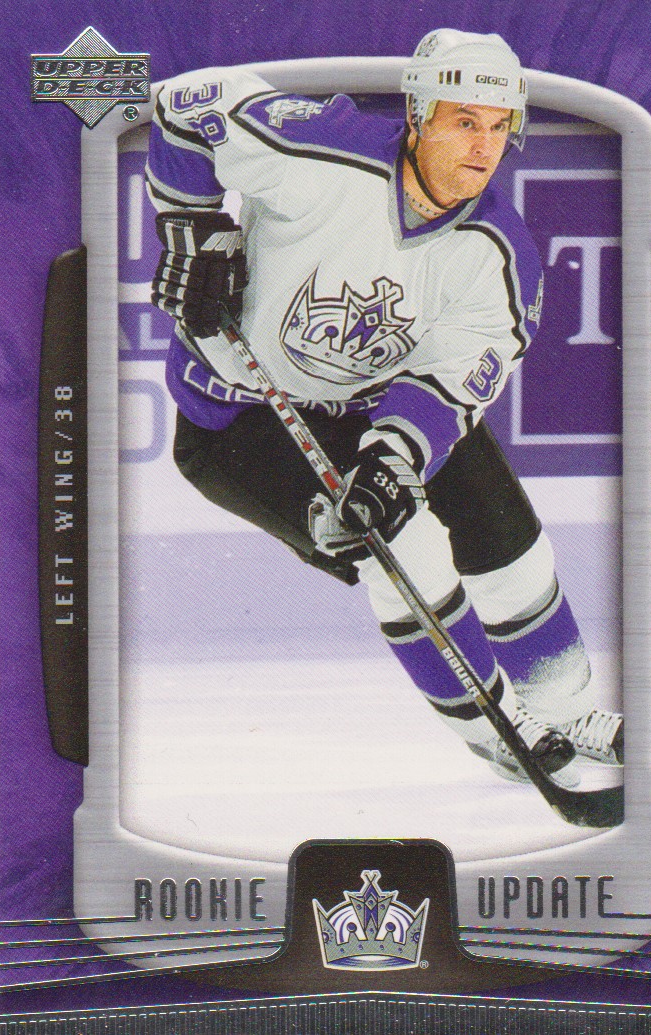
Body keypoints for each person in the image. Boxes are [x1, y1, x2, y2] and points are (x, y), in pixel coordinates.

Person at [145, 28, 623, 786]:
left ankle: (565, 707)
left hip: (372, 407)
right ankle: (495, 725)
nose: (484, 147)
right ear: (417, 116)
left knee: (510, 545)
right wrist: (193, 228)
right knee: (394, 540)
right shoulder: (317, 153)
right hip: (240, 419)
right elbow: (183, 105)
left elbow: (448, 385)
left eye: (499, 125)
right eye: (464, 121)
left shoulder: (498, 256)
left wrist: (393, 458)